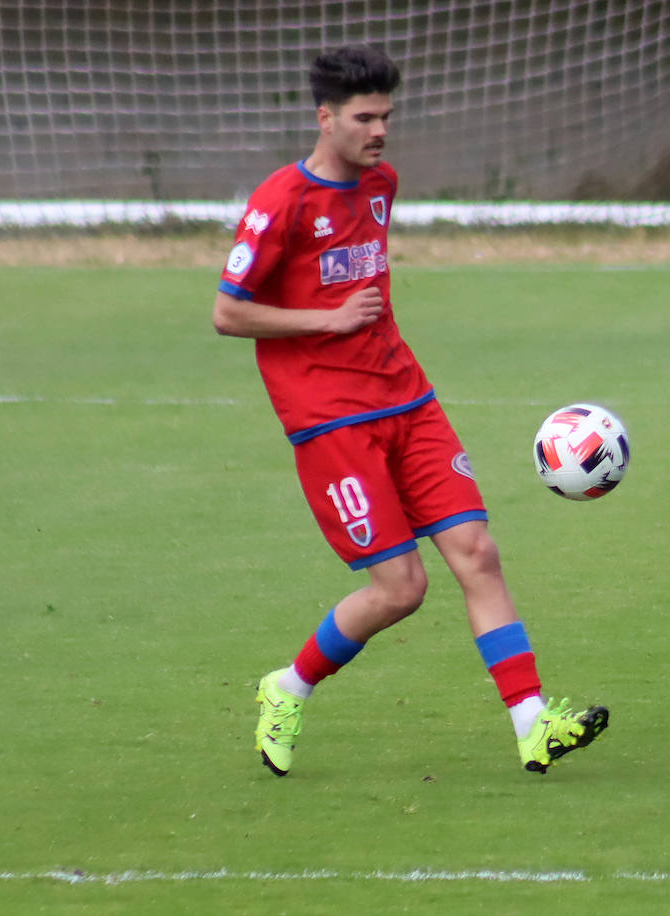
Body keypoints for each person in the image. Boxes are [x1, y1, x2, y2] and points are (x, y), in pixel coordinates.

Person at [213, 45, 608, 777]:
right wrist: (324, 323)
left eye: (387, 116)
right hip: (331, 425)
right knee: (401, 589)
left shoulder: (382, 184)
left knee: (478, 554)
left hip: (408, 400)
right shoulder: (279, 203)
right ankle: (287, 686)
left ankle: (532, 724)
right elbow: (227, 314)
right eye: (365, 117)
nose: (381, 131)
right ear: (325, 118)